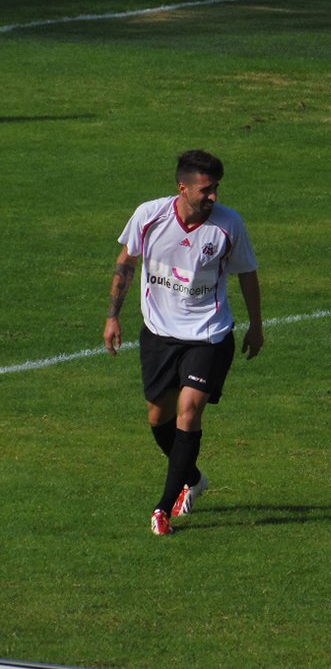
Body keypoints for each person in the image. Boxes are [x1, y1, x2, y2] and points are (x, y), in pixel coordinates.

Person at [104, 149, 263, 536]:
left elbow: (247, 274)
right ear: (183, 188)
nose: (213, 197)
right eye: (206, 190)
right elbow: (127, 262)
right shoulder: (149, 216)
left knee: (189, 412)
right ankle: (193, 478)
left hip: (209, 335)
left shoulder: (228, 225)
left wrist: (256, 326)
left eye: (216, 188)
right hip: (159, 335)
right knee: (158, 419)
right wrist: (112, 315)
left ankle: (163, 508)